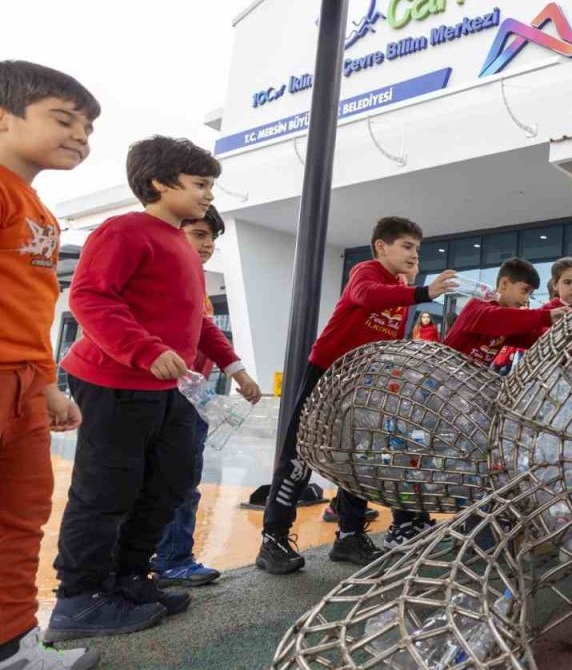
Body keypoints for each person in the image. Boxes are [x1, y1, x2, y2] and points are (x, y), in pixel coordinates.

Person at [46, 136, 260, 643]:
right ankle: (79, 599)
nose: (209, 194)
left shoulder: (184, 250)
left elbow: (200, 323)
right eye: (200, 184)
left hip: (172, 389)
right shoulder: (124, 231)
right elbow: (92, 297)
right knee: (107, 490)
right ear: (161, 183)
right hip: (115, 380)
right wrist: (143, 349)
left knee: (166, 484)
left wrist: (234, 367)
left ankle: (128, 580)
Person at [256, 217, 457, 575]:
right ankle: (273, 539)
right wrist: (424, 292)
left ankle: (348, 535)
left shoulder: (398, 288)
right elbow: (366, 297)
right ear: (382, 246)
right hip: (326, 373)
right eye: (407, 246)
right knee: (300, 455)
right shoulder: (366, 273)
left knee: (358, 459)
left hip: (361, 384)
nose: (414, 255)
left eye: (417, 249)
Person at [0, 60, 99, 670]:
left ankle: (12, 646)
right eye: (63, 120)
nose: (80, 138)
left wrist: (48, 385)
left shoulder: (37, 206)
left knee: (23, 515)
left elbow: (30, 307)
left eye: (87, 129)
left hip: (24, 387)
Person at [151, 206, 244, 588]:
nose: (207, 246)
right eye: (199, 235)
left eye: (212, 238)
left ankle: (171, 558)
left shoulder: (196, 280)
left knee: (182, 481)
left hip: (191, 395)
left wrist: (236, 369)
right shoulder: (162, 272)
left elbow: (204, 330)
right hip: (159, 393)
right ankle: (150, 562)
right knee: (159, 481)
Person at [443, 258, 567, 367]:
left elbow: (534, 337)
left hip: (462, 384)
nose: (526, 299)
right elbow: (497, 319)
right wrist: (547, 316)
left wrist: (563, 334)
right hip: (440, 377)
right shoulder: (477, 306)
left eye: (530, 294)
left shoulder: (508, 324)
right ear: (504, 284)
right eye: (524, 291)